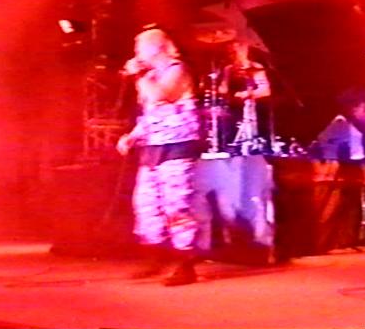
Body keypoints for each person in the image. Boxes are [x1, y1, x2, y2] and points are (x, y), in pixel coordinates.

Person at [116, 28, 206, 286]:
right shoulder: (150, 76)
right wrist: (132, 136)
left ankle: (185, 264)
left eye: (139, 49)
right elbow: (151, 113)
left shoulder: (178, 70)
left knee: (176, 205)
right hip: (153, 146)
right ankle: (154, 256)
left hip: (177, 145)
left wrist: (138, 75)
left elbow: (160, 95)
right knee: (146, 203)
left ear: (156, 48)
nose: (136, 54)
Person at [218, 39, 271, 150]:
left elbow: (265, 90)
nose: (232, 55)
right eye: (229, 53)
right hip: (233, 111)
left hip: (254, 110)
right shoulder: (229, 69)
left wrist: (247, 94)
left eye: (234, 52)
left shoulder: (255, 67)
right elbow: (223, 90)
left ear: (244, 51)